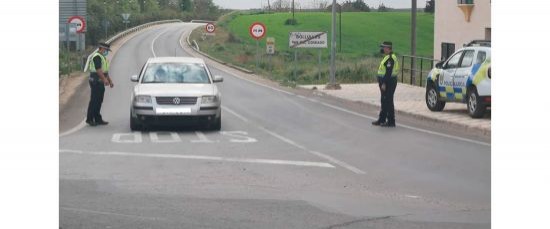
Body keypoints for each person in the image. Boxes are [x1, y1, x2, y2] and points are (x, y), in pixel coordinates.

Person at [86, 42, 114, 126]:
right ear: (101, 48)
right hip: (95, 80)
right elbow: (98, 70)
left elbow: (105, 71)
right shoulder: (97, 57)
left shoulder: (102, 57)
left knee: (99, 100)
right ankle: (90, 119)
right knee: (94, 100)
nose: (107, 52)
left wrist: (110, 80)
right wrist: (105, 80)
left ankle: (98, 118)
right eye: (106, 50)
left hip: (100, 81)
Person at [372, 41, 399, 127]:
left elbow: (388, 72)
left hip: (389, 82)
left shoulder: (390, 58)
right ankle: (382, 119)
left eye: (384, 47)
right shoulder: (387, 57)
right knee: (384, 101)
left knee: (388, 101)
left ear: (388, 48)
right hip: (387, 81)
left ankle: (391, 121)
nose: (382, 49)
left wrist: (384, 83)